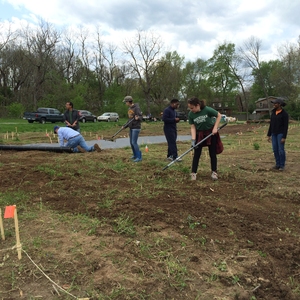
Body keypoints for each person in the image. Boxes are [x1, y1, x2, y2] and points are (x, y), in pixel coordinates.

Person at [188, 97, 222, 181]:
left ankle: (214, 172)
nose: (191, 110)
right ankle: (193, 173)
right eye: (190, 108)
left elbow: (219, 115)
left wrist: (215, 128)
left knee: (212, 153)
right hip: (199, 134)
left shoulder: (207, 110)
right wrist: (193, 140)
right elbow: (192, 127)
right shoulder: (191, 114)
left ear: (198, 105)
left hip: (211, 133)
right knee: (197, 154)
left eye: (192, 108)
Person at [267, 98, 289, 171]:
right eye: (273, 103)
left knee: (281, 150)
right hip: (274, 134)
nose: (274, 104)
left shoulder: (284, 114)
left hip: (280, 134)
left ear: (279, 104)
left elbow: (286, 126)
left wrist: (284, 137)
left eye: (275, 103)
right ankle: (277, 164)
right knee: (275, 150)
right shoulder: (273, 113)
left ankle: (282, 165)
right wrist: (269, 135)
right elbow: (271, 124)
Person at [123, 96, 143, 162]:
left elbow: (141, 117)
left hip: (136, 127)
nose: (125, 103)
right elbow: (129, 119)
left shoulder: (136, 108)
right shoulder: (129, 109)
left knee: (134, 142)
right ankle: (135, 155)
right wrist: (124, 126)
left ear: (129, 102)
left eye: (126, 102)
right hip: (131, 127)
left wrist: (138, 118)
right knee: (131, 143)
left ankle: (139, 157)